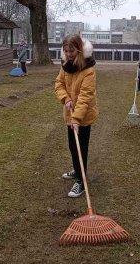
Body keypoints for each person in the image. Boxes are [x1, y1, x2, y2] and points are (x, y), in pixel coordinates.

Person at [55, 34, 98, 198]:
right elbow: (58, 83)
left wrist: (77, 119)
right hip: (70, 112)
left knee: (81, 147)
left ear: (79, 50)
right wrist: (65, 98)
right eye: (65, 50)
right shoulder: (65, 64)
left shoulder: (89, 69)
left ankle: (81, 180)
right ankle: (77, 169)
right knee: (72, 145)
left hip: (83, 116)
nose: (68, 54)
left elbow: (85, 96)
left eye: (71, 50)